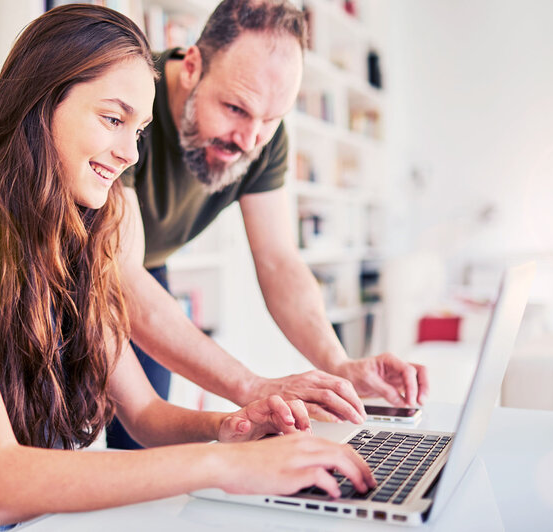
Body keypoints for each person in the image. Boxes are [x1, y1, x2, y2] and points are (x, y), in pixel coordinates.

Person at [0, 5, 374, 530]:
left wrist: (236, 428)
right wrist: (226, 464)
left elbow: (146, 415)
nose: (131, 152)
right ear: (41, 102)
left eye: (141, 129)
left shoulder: (76, 245)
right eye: (113, 119)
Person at [109, 0, 429, 449]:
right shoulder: (134, 100)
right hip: (72, 268)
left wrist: (337, 363)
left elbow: (279, 261)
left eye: (271, 119)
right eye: (235, 109)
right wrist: (251, 387)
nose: (249, 140)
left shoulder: (262, 136)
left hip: (149, 271)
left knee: (140, 447)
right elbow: (119, 277)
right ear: (193, 65)